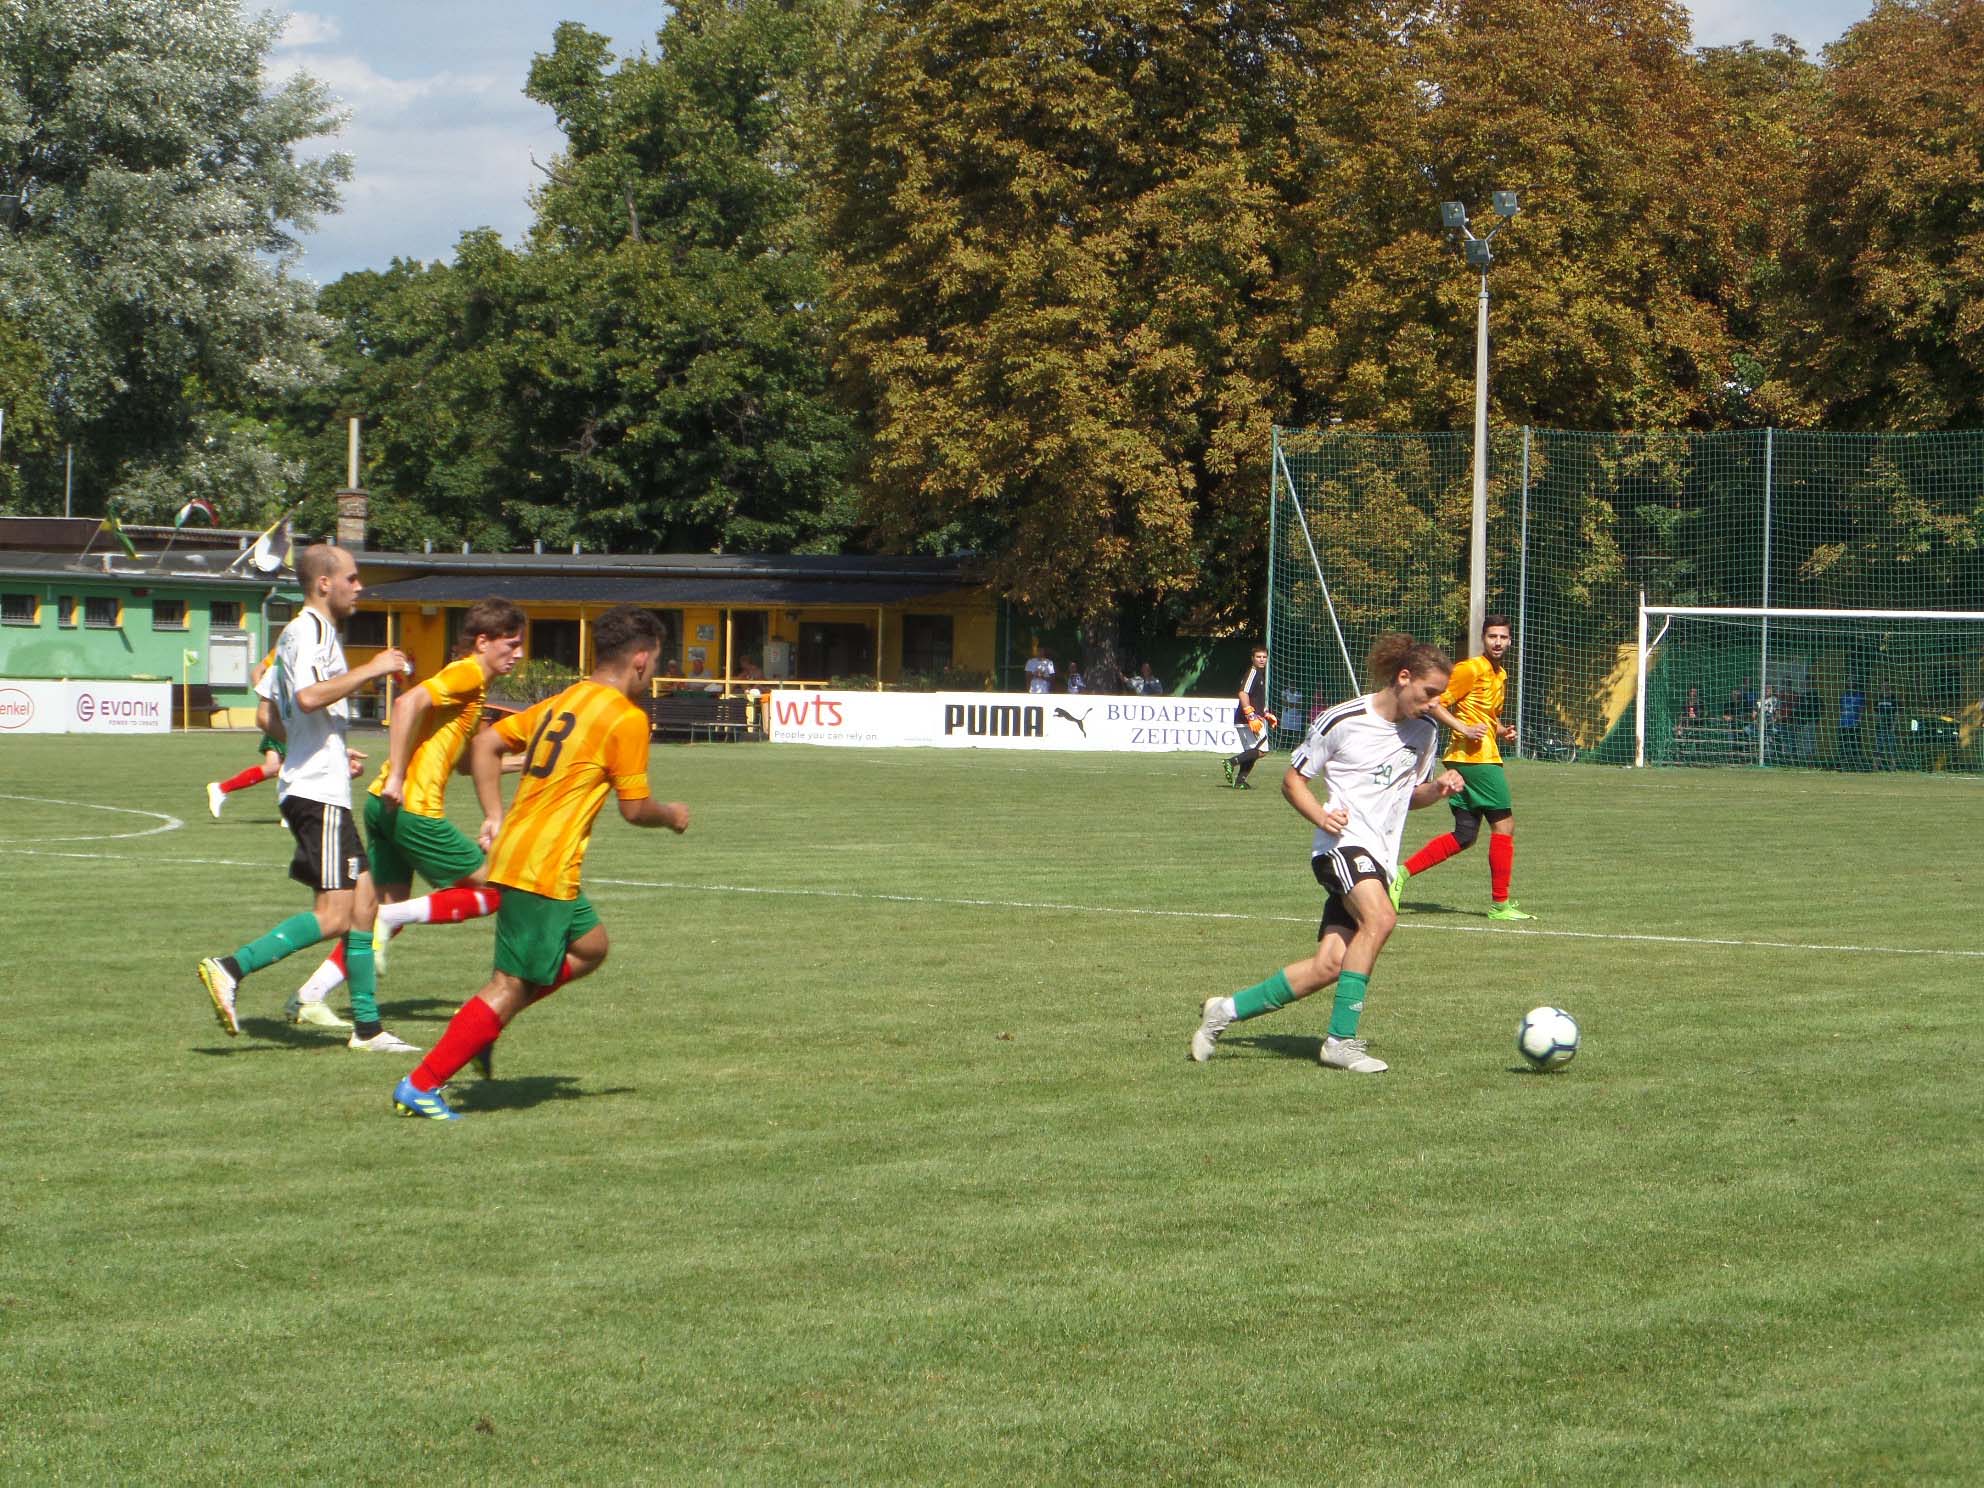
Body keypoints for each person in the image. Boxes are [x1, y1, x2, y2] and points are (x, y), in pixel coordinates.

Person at [392, 606, 691, 1120]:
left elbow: (486, 743)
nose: (654, 671)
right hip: (543, 867)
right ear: (641, 659)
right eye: (657, 661)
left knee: (591, 947)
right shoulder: (626, 718)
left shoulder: (565, 700)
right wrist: (672, 815)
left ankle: (484, 1027)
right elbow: (636, 809)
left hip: (526, 855)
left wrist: (495, 815)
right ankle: (421, 1084)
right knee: (509, 985)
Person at [1190, 632, 1463, 1073]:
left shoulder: (1426, 731)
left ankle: (1224, 1011)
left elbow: (1409, 795)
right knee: (1381, 919)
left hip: (1380, 857)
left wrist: (1439, 789)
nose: (1435, 703)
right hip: (1340, 846)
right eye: (1430, 692)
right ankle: (1340, 1041)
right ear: (1403, 677)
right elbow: (1293, 781)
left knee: (1330, 965)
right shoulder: (1343, 720)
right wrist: (1322, 816)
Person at [196, 543, 420, 1051]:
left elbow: (268, 715)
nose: (359, 587)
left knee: (365, 906)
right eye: (352, 578)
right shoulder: (312, 630)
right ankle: (230, 968)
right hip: (316, 794)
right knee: (336, 914)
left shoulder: (296, 634)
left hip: (318, 784)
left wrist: (326, 747)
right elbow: (308, 697)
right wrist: (374, 667)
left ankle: (367, 1030)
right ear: (324, 583)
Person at [284, 599, 528, 1016]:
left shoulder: (472, 684)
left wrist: (528, 762)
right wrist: (398, 774)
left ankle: (310, 995)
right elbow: (405, 704)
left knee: (378, 913)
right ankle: (391, 917)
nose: (519, 654)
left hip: (384, 805)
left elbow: (469, 763)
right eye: (512, 644)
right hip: (413, 808)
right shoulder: (468, 672)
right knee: (498, 888)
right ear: (483, 642)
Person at [1392, 615, 1534, 920]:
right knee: (1504, 825)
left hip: (1473, 757)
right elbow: (1435, 703)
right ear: (1483, 638)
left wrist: (1501, 732)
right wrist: (1464, 729)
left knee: (1465, 834)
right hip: (1476, 760)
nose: (1498, 642)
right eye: (1492, 636)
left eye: (1503, 637)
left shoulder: (1500, 674)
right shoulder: (1470, 669)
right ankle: (1500, 905)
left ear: (1510, 641)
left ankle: (1400, 874)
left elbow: (1485, 716)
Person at [204, 649, 285, 817]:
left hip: (287, 719)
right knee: (297, 765)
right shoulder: (283, 651)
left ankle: (221, 789)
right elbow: (256, 672)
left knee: (274, 767)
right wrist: (267, 701)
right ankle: (290, 814)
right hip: (282, 720)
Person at [1221, 645, 1277, 789]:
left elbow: (1255, 699)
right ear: (1252, 658)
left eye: (1264, 657)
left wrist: (1265, 714)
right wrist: (1250, 715)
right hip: (1247, 720)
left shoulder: (1259, 674)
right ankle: (1231, 762)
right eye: (1258, 657)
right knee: (1262, 750)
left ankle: (1240, 781)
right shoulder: (1253, 672)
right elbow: (1242, 693)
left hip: (1248, 719)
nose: (1262, 659)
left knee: (1253, 751)